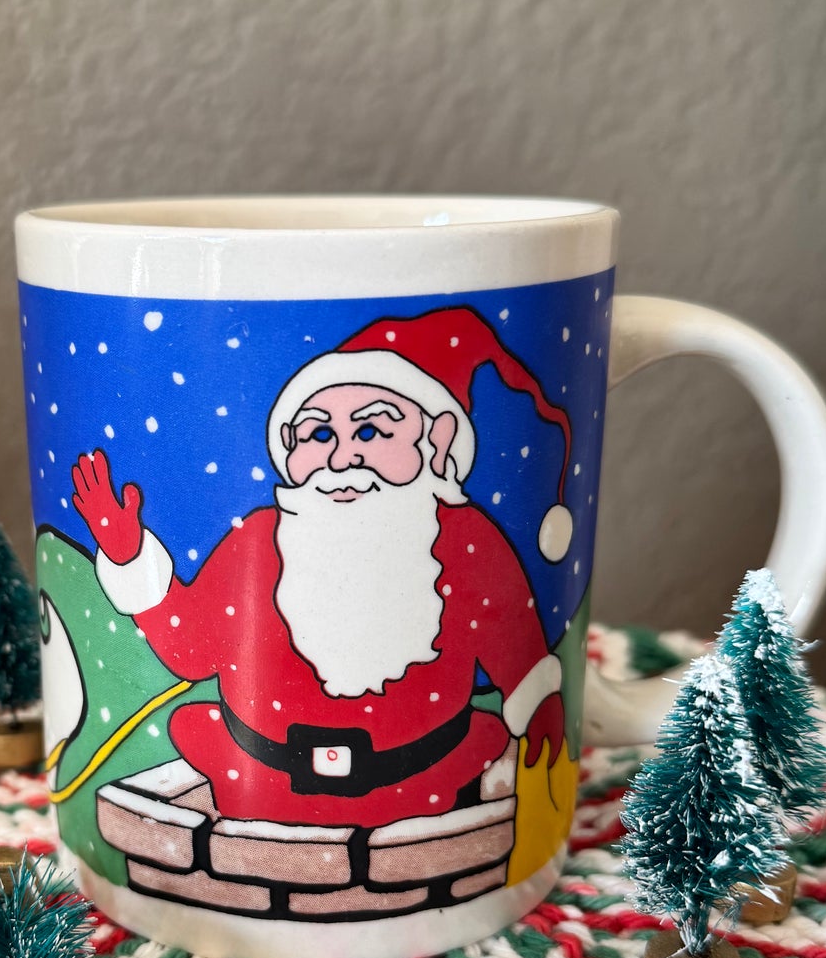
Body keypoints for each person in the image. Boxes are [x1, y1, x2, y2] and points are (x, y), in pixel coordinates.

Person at [70, 305, 571, 825]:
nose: (341, 459)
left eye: (373, 432)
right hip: (258, 780)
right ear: (289, 451)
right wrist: (130, 556)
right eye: (318, 435)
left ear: (435, 441)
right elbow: (191, 649)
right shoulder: (260, 541)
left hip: (429, 781)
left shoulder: (466, 542)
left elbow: (513, 641)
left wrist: (539, 705)